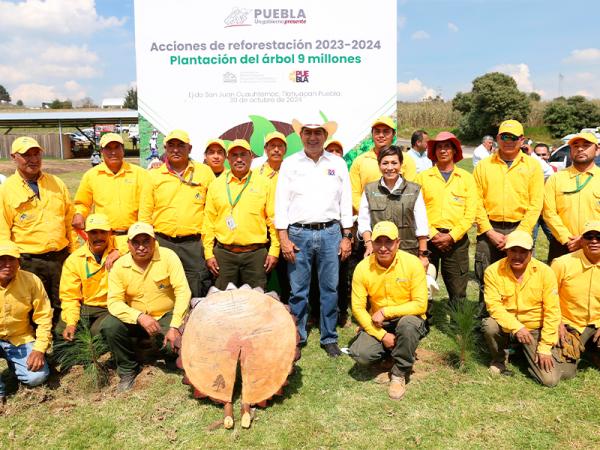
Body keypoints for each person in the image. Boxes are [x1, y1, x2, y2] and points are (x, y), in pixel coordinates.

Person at [275, 119, 352, 357]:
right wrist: (283, 238)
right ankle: (297, 335)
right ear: (301, 136)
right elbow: (281, 202)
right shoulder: (290, 164)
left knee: (330, 287)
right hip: (298, 233)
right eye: (307, 133)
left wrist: (346, 235)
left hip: (331, 232)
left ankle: (329, 337)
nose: (313, 137)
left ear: (325, 136)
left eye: (318, 133)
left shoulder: (338, 163)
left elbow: (345, 201)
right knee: (298, 290)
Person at [102, 222, 191, 391]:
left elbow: (183, 291)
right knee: (109, 326)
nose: (141, 247)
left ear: (154, 241)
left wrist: (174, 326)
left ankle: (167, 354)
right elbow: (114, 302)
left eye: (146, 241)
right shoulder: (120, 266)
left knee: (176, 343)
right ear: (128, 244)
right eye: (136, 242)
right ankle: (128, 370)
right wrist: (139, 317)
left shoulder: (168, 256)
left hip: (166, 316)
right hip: (137, 319)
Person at [0, 136, 76, 323]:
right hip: (28, 261)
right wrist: (8, 263)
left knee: (62, 304)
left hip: (60, 258)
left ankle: (62, 349)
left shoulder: (57, 183)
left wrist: (73, 254)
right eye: (26, 155)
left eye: (36, 154)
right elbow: (2, 231)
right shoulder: (6, 190)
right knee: (33, 308)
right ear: (14, 157)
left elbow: (69, 221)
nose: (33, 159)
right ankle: (36, 349)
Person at [348, 221, 428, 400]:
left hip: (407, 318)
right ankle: (396, 350)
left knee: (408, 326)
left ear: (398, 243)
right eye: (378, 242)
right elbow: (358, 309)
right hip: (378, 322)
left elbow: (421, 304)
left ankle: (399, 373)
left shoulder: (412, 264)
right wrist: (382, 335)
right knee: (360, 353)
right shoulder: (362, 268)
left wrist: (386, 311)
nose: (383, 248)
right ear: (372, 243)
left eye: (388, 242)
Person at [473, 120, 544, 311]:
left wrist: (519, 233)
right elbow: (476, 202)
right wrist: (488, 231)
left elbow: (536, 203)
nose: (509, 141)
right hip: (490, 230)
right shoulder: (483, 166)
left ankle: (521, 315)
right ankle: (486, 317)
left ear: (522, 140)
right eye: (505, 137)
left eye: (514, 137)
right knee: (486, 274)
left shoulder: (533, 166)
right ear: (497, 138)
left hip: (519, 227)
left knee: (521, 274)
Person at [139, 129, 215, 298]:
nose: (175, 149)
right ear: (165, 148)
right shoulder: (153, 176)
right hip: (162, 242)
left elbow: (213, 211)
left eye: (181, 145)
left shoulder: (205, 173)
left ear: (190, 148)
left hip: (194, 244)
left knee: (196, 286)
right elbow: (145, 214)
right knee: (163, 288)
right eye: (171, 145)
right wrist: (146, 242)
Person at [482, 230, 563, 386]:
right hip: (507, 326)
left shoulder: (545, 272)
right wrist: (517, 327)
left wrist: (545, 347)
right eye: (513, 250)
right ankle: (499, 359)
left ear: (531, 252)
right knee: (489, 326)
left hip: (534, 328)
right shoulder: (492, 271)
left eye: (523, 252)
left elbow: (552, 312)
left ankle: (522, 353)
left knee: (550, 380)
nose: (517, 256)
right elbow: (493, 306)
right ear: (506, 250)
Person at [203, 139, 279, 290]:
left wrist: (274, 251)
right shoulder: (216, 185)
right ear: (228, 159)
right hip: (224, 255)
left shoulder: (264, 183)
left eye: (243, 155)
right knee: (224, 302)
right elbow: (209, 222)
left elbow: (273, 219)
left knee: (256, 303)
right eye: (234, 155)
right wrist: (208, 253)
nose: (239, 159)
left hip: (255, 255)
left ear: (251, 157)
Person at [415, 132, 477, 307]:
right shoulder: (422, 178)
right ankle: (423, 318)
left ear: (454, 150)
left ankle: (458, 321)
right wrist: (433, 234)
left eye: (447, 146)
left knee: (457, 286)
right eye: (439, 147)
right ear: (433, 152)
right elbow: (417, 210)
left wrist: (452, 236)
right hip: (427, 240)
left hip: (456, 241)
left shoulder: (466, 178)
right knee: (423, 281)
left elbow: (470, 213)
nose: (443, 150)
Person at [55, 214, 122, 345]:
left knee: (100, 332)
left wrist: (120, 251)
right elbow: (70, 296)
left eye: (103, 232)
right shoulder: (74, 260)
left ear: (110, 233)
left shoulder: (119, 244)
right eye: (93, 233)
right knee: (61, 331)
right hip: (85, 307)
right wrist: (71, 323)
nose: (99, 237)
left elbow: (152, 242)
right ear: (86, 234)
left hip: (110, 307)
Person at [358, 145, 429, 266]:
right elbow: (364, 222)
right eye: (385, 163)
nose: (389, 168)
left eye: (394, 163)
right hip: (380, 253)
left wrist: (423, 255)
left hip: (407, 252)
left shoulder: (414, 190)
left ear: (401, 164)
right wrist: (369, 245)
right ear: (379, 165)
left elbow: (421, 224)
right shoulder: (369, 190)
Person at [0, 240, 52, 406]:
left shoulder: (31, 281)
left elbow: (44, 316)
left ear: (19, 262)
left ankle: (16, 366)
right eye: (1, 259)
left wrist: (39, 349)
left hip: (20, 337)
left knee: (37, 377)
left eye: (11, 259)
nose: (7, 264)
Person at [72, 133, 147, 243]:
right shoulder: (91, 175)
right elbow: (82, 203)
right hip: (104, 237)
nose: (113, 152)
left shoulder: (140, 174)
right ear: (102, 152)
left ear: (123, 150)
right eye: (108, 148)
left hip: (134, 237)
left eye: (117, 147)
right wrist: (79, 214)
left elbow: (148, 203)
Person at [551, 221, 600, 379]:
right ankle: (587, 349)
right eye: (589, 236)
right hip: (571, 324)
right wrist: (557, 323)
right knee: (565, 373)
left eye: (599, 237)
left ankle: (592, 350)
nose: (594, 241)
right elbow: (548, 298)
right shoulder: (562, 264)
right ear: (581, 240)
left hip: (598, 322)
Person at [543, 132, 600, 263]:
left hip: (596, 244)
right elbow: (548, 212)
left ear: (597, 150)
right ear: (570, 151)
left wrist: (585, 239)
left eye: (586, 145)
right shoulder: (556, 179)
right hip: (563, 246)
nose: (580, 149)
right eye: (575, 146)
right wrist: (566, 238)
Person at [350, 117, 417, 214]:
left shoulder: (406, 160)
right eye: (377, 132)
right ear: (372, 135)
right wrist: (368, 212)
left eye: (386, 132)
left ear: (393, 134)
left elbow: (410, 191)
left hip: (399, 217)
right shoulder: (360, 161)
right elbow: (354, 193)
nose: (381, 135)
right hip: (368, 218)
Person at [255, 131, 290, 303]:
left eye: (280, 146)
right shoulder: (256, 173)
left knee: (288, 271)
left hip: (288, 230)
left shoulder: (291, 171)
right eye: (272, 146)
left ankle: (289, 308)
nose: (276, 150)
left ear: (285, 149)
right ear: (266, 149)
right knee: (265, 270)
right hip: (264, 230)